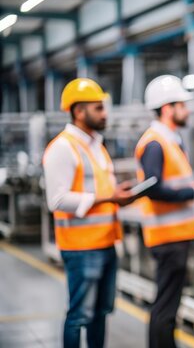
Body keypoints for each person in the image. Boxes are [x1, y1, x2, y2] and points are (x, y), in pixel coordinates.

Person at [43, 78, 136, 348]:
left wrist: (118, 195)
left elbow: (97, 190)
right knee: (79, 316)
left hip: (106, 242)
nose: (104, 113)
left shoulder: (96, 146)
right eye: (98, 108)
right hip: (82, 247)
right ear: (78, 111)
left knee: (100, 313)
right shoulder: (63, 147)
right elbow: (57, 200)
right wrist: (109, 197)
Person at [134, 75, 194, 348]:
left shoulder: (168, 139)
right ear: (167, 108)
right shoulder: (156, 142)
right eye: (182, 104)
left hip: (175, 236)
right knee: (166, 306)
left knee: (169, 304)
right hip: (168, 238)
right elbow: (152, 189)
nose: (186, 110)